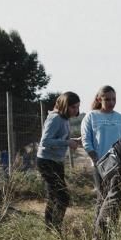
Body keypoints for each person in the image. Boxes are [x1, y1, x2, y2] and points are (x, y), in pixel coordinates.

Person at [81, 86, 121, 211]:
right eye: (107, 100)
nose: (111, 103)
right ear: (99, 99)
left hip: (119, 164)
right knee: (103, 198)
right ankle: (99, 228)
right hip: (100, 164)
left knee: (118, 199)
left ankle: (112, 228)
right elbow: (86, 140)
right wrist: (95, 159)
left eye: (114, 99)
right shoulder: (91, 117)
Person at [36, 92, 81, 231]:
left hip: (56, 161)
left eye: (77, 107)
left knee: (54, 196)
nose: (76, 110)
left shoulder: (65, 118)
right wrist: (67, 142)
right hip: (47, 161)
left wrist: (74, 140)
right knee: (62, 196)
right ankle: (54, 229)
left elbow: (60, 138)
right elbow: (46, 141)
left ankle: (51, 230)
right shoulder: (55, 118)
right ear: (64, 105)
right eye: (73, 107)